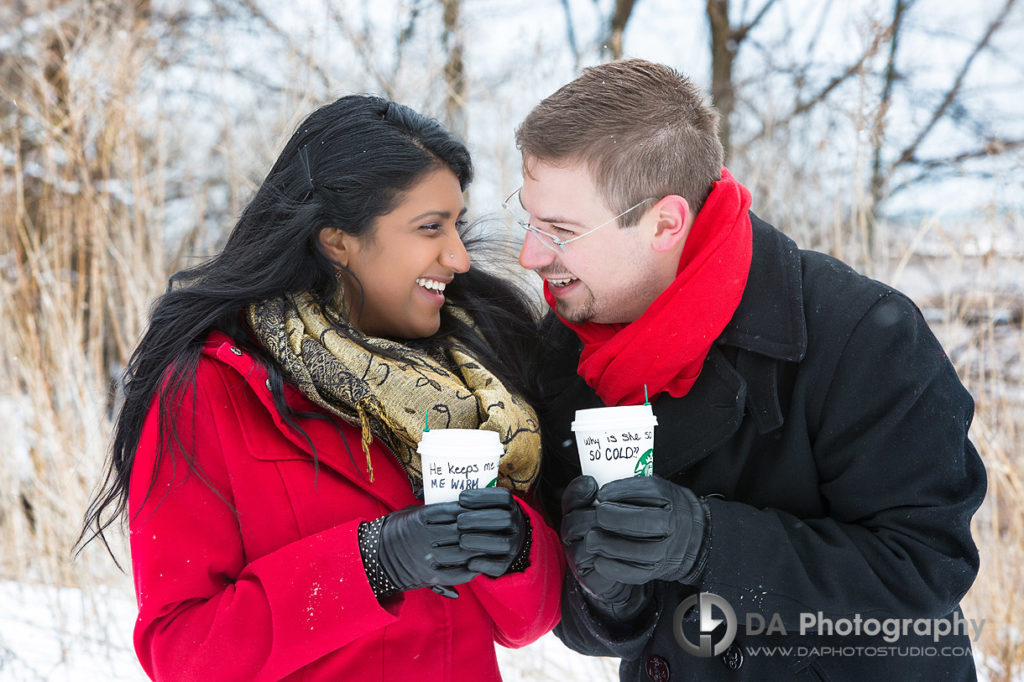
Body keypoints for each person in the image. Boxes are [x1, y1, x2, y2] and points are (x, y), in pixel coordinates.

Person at [508, 59, 986, 680]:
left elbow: (924, 570)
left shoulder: (862, 333)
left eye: (560, 231)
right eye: (529, 219)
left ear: (666, 223)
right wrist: (610, 597)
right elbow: (585, 615)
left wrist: (710, 543)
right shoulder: (563, 347)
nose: (530, 254)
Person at [78, 94, 563, 681]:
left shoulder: (474, 383)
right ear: (337, 240)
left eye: (456, 225)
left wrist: (515, 548)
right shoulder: (209, 386)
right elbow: (183, 652)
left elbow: (525, 624)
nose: (458, 257)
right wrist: (372, 563)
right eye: (430, 227)